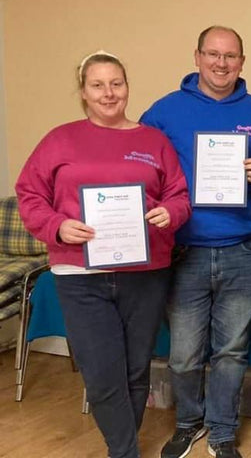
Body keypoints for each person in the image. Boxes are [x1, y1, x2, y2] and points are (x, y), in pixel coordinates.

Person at [15, 50, 191, 458]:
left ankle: (121, 450)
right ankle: (125, 451)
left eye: (117, 83)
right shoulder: (59, 139)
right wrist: (56, 225)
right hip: (79, 273)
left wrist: (171, 212)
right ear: (83, 92)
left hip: (145, 272)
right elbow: (30, 194)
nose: (109, 93)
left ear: (127, 86)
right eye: (98, 85)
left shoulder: (153, 140)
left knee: (135, 368)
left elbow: (178, 195)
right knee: (100, 372)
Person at [140, 25, 251, 458]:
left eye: (231, 56)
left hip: (243, 251)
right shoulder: (164, 111)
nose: (221, 63)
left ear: (242, 61)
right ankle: (188, 423)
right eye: (213, 54)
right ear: (197, 57)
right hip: (185, 251)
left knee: (230, 351)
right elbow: (143, 170)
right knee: (184, 355)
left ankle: (222, 431)